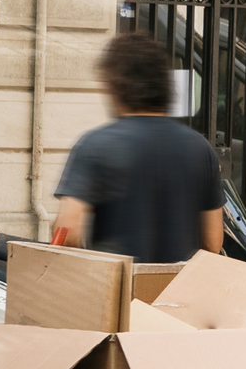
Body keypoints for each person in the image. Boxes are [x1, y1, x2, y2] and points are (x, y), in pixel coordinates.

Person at [53, 34, 223, 263]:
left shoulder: (95, 145)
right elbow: (212, 243)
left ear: (116, 86)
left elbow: (67, 232)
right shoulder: (201, 149)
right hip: (175, 292)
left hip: (117, 291)